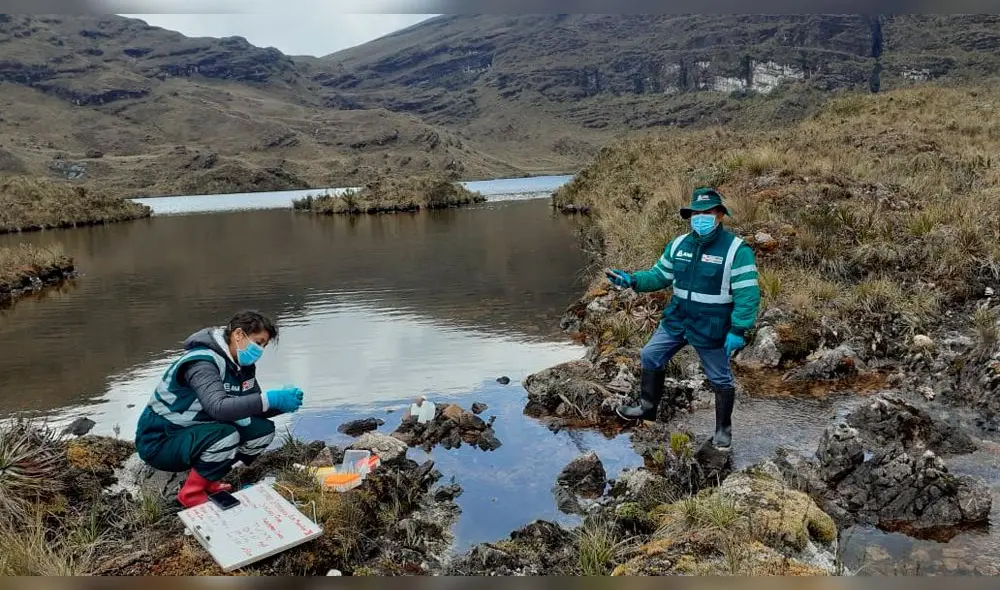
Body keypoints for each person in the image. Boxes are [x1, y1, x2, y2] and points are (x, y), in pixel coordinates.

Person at [605, 187, 761, 450]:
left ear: (720, 215)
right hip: (677, 320)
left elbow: (748, 294)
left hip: (712, 326)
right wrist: (632, 280)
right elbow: (659, 276)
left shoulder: (737, 250)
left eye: (707, 212)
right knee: (650, 355)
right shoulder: (678, 244)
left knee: (720, 378)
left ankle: (723, 430)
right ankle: (647, 408)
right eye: (695, 213)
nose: (700, 218)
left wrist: (738, 329)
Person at [134, 310, 305, 507]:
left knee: (262, 431)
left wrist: (280, 404)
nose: (260, 351)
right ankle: (191, 493)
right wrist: (269, 399)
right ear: (238, 334)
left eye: (264, 346)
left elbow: (249, 407)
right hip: (161, 440)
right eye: (258, 343)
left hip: (194, 431)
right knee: (226, 435)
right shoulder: (201, 363)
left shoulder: (242, 366)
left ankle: (210, 479)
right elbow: (219, 408)